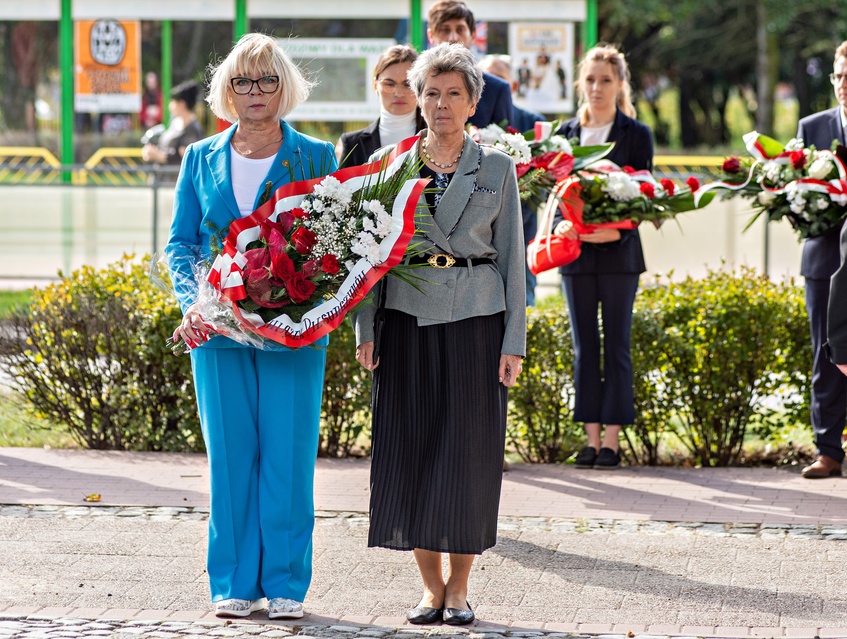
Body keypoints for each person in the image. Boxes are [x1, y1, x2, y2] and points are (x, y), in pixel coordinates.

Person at [352, 42, 526, 626]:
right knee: (411, 450)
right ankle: (430, 588)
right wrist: (365, 326)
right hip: (404, 321)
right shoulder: (391, 165)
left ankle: (461, 588)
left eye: (454, 93)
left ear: (474, 102)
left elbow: (514, 262)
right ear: (417, 100)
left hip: (477, 323)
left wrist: (513, 342)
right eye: (431, 92)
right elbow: (370, 256)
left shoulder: (497, 169)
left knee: (467, 454)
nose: (441, 103)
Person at [165, 33, 337, 619]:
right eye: (243, 81)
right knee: (231, 455)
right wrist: (193, 302)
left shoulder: (317, 155)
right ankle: (234, 582)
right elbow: (181, 243)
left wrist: (300, 295)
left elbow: (334, 241)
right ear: (226, 90)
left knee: (287, 454)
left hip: (294, 328)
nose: (255, 91)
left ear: (283, 86)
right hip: (215, 329)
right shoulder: (198, 157)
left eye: (266, 80)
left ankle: (286, 584)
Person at [552, 44, 654, 470]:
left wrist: (617, 229)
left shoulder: (636, 134)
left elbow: (645, 197)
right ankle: (590, 438)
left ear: (620, 85)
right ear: (581, 82)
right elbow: (555, 196)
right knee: (583, 348)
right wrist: (561, 223)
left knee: (617, 346)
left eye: (605, 80)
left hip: (619, 255)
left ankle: (612, 441)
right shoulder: (565, 135)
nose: (596, 88)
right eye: (590, 79)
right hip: (576, 257)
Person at [798, 40, 847, 479]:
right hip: (823, 258)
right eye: (839, 76)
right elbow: (793, 198)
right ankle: (828, 450)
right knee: (824, 352)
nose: (844, 85)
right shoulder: (811, 127)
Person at [479, 54, 544, 306]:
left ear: (512, 86)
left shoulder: (532, 122)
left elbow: (544, 177)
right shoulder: (468, 123)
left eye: (498, 79)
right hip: (478, 232)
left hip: (522, 222)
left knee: (522, 294)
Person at [426, 0, 513, 128]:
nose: (453, 38)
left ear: (473, 35)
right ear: (431, 35)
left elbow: (505, 145)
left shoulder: (497, 90)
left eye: (460, 30)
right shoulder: (415, 85)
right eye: (445, 30)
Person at [336, 44, 424, 169]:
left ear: (420, 87)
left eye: (407, 84)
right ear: (375, 85)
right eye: (389, 84)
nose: (398, 93)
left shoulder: (438, 137)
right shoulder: (352, 144)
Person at [142, 80, 204, 165]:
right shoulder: (175, 123)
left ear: (182, 104)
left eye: (172, 102)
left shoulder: (192, 130)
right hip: (163, 176)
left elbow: (186, 160)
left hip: (175, 177)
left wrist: (158, 156)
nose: (170, 106)